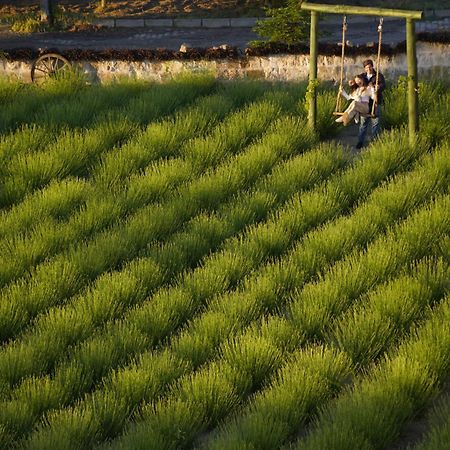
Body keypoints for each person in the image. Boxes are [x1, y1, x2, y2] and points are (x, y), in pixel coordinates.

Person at [356, 59, 386, 149]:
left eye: (370, 67)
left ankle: (374, 143)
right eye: (366, 67)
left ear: (372, 66)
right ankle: (360, 142)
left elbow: (383, 85)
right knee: (363, 123)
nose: (368, 69)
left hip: (375, 102)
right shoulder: (362, 76)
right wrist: (353, 83)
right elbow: (356, 83)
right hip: (365, 103)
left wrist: (378, 87)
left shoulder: (378, 76)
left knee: (375, 124)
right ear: (364, 68)